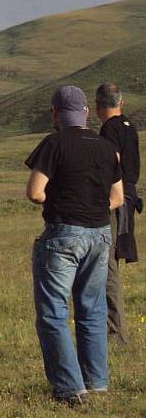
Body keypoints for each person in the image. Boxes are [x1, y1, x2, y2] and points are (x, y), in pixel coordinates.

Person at [25, 85, 123, 406]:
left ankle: (70, 388)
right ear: (85, 113)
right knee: (93, 310)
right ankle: (96, 382)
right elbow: (118, 198)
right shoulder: (107, 147)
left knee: (54, 312)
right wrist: (92, 207)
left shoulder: (54, 143)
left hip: (64, 234)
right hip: (100, 233)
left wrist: (65, 203)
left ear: (56, 113)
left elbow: (35, 192)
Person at [95, 82, 140, 344]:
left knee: (107, 265)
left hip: (116, 199)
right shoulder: (129, 126)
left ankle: (115, 333)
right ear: (121, 103)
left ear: (98, 106)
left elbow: (111, 164)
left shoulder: (109, 130)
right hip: (129, 197)